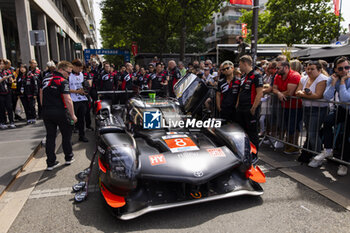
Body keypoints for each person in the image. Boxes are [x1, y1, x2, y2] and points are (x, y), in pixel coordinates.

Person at [308, 56, 350, 176]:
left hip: (347, 107)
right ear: (336, 69)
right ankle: (328, 150)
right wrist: (333, 84)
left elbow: (346, 98)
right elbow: (327, 96)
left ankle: (344, 163)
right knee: (327, 122)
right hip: (343, 109)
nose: (344, 71)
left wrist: (342, 82)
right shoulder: (332, 78)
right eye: (341, 68)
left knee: (347, 136)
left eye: (347, 67)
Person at [40, 61, 77, 170]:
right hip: (61, 111)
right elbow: (68, 99)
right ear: (61, 69)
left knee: (50, 137)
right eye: (68, 72)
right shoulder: (62, 81)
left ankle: (50, 163)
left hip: (47, 112)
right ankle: (68, 158)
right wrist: (73, 115)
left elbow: (41, 93)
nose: (69, 75)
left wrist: (44, 107)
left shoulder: (45, 78)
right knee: (66, 135)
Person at [295, 61, 328, 165]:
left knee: (313, 133)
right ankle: (315, 154)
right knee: (310, 133)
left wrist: (303, 94)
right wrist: (304, 94)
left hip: (318, 109)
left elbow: (318, 95)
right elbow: (297, 92)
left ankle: (317, 157)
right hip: (306, 108)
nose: (309, 71)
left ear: (319, 69)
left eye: (312, 69)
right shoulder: (304, 78)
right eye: (307, 68)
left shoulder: (322, 79)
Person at [272, 60, 302, 154]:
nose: (276, 70)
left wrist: (280, 93)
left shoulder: (294, 75)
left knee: (293, 126)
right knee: (285, 125)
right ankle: (289, 144)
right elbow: (274, 89)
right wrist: (279, 93)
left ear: (286, 67)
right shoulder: (278, 76)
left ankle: (294, 146)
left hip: (296, 106)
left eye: (278, 68)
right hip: (284, 105)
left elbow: (290, 92)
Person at [236, 55, 263, 153]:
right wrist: (237, 104)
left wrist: (254, 107)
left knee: (252, 134)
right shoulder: (244, 76)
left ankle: (254, 154)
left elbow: (260, 92)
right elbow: (241, 91)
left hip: (250, 109)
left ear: (245, 63)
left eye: (240, 64)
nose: (239, 67)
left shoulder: (256, 75)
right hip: (241, 109)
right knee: (242, 133)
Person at [69, 59, 89, 142]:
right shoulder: (68, 75)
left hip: (81, 99)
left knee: (81, 119)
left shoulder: (81, 74)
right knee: (71, 120)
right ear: (74, 66)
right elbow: (65, 89)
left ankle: (82, 135)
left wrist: (84, 91)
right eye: (79, 68)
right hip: (72, 100)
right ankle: (69, 138)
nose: (80, 70)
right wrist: (76, 91)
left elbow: (82, 85)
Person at [0, 59, 16, 129]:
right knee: (2, 108)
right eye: (1, 64)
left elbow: (10, 81)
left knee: (9, 107)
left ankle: (12, 122)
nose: (2, 65)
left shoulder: (6, 72)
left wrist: (10, 80)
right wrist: (3, 79)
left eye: (3, 64)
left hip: (7, 91)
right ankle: (3, 122)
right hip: (0, 92)